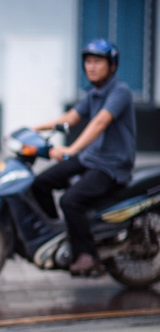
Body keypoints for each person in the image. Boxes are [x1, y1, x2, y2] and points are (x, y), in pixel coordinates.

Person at [31, 39, 136, 276]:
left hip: (112, 165)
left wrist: (71, 149)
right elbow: (70, 118)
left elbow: (100, 122)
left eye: (98, 61)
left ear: (112, 65)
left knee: (70, 200)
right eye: (88, 61)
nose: (91, 66)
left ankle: (87, 255)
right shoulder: (93, 94)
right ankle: (61, 232)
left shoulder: (121, 92)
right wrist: (34, 129)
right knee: (40, 183)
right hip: (91, 158)